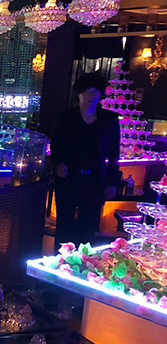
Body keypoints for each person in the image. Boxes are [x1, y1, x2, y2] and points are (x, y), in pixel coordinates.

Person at [51, 72, 120, 249]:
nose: (92, 95)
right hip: (68, 180)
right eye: (88, 91)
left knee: (89, 229)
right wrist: (58, 164)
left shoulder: (109, 120)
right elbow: (56, 146)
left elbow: (114, 155)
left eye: (96, 91)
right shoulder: (66, 118)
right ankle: (61, 262)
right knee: (64, 226)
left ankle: (86, 262)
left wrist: (112, 183)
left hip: (95, 182)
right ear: (79, 94)